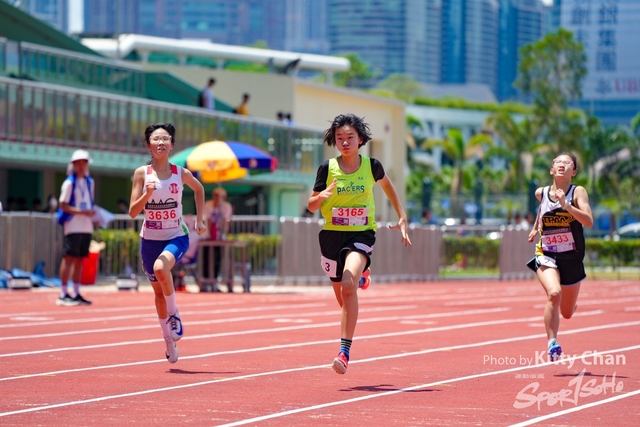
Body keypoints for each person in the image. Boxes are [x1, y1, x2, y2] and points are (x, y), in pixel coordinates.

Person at [307, 113, 412, 375]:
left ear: (360, 139)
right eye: (340, 138)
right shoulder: (327, 169)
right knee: (344, 299)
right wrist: (322, 196)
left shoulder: (371, 166)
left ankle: (344, 353)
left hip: (361, 234)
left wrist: (402, 216)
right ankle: (361, 276)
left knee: (348, 285)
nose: (344, 142)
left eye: (350, 137)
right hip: (331, 236)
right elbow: (311, 206)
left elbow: (388, 187)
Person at [128, 123, 207, 364]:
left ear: (172, 145)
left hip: (176, 235)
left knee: (161, 268)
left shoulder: (180, 173)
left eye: (165, 139)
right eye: (156, 139)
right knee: (158, 294)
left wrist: (200, 219)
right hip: (150, 240)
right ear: (148, 145)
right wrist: (147, 195)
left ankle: (174, 314)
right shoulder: (141, 174)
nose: (161, 142)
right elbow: (133, 212)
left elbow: (199, 189)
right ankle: (168, 341)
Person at [526, 152, 593, 362]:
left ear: (574, 171)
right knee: (554, 293)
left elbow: (589, 221)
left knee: (567, 313)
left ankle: (570, 304)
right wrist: (535, 227)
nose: (562, 164)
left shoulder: (578, 192)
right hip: (546, 254)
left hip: (572, 258)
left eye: (567, 162)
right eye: (558, 162)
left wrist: (567, 206)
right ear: (551, 169)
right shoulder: (542, 192)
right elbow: (542, 209)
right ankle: (552, 342)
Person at [56, 149, 96, 307]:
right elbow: (63, 204)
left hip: (86, 225)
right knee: (69, 258)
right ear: (73, 165)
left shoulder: (90, 182)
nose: (81, 166)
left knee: (80, 259)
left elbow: (90, 203)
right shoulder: (69, 183)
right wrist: (82, 212)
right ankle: (63, 292)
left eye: (83, 163)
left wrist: (93, 215)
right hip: (72, 225)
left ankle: (76, 292)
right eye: (78, 163)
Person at [202, 187, 234, 292]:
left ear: (223, 197)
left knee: (217, 259)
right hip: (208, 237)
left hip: (220, 237)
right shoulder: (208, 205)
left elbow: (225, 220)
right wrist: (210, 235)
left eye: (219, 196)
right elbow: (208, 220)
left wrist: (221, 235)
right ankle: (205, 282)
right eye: (215, 195)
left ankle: (214, 282)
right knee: (206, 259)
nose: (216, 198)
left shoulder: (226, 206)